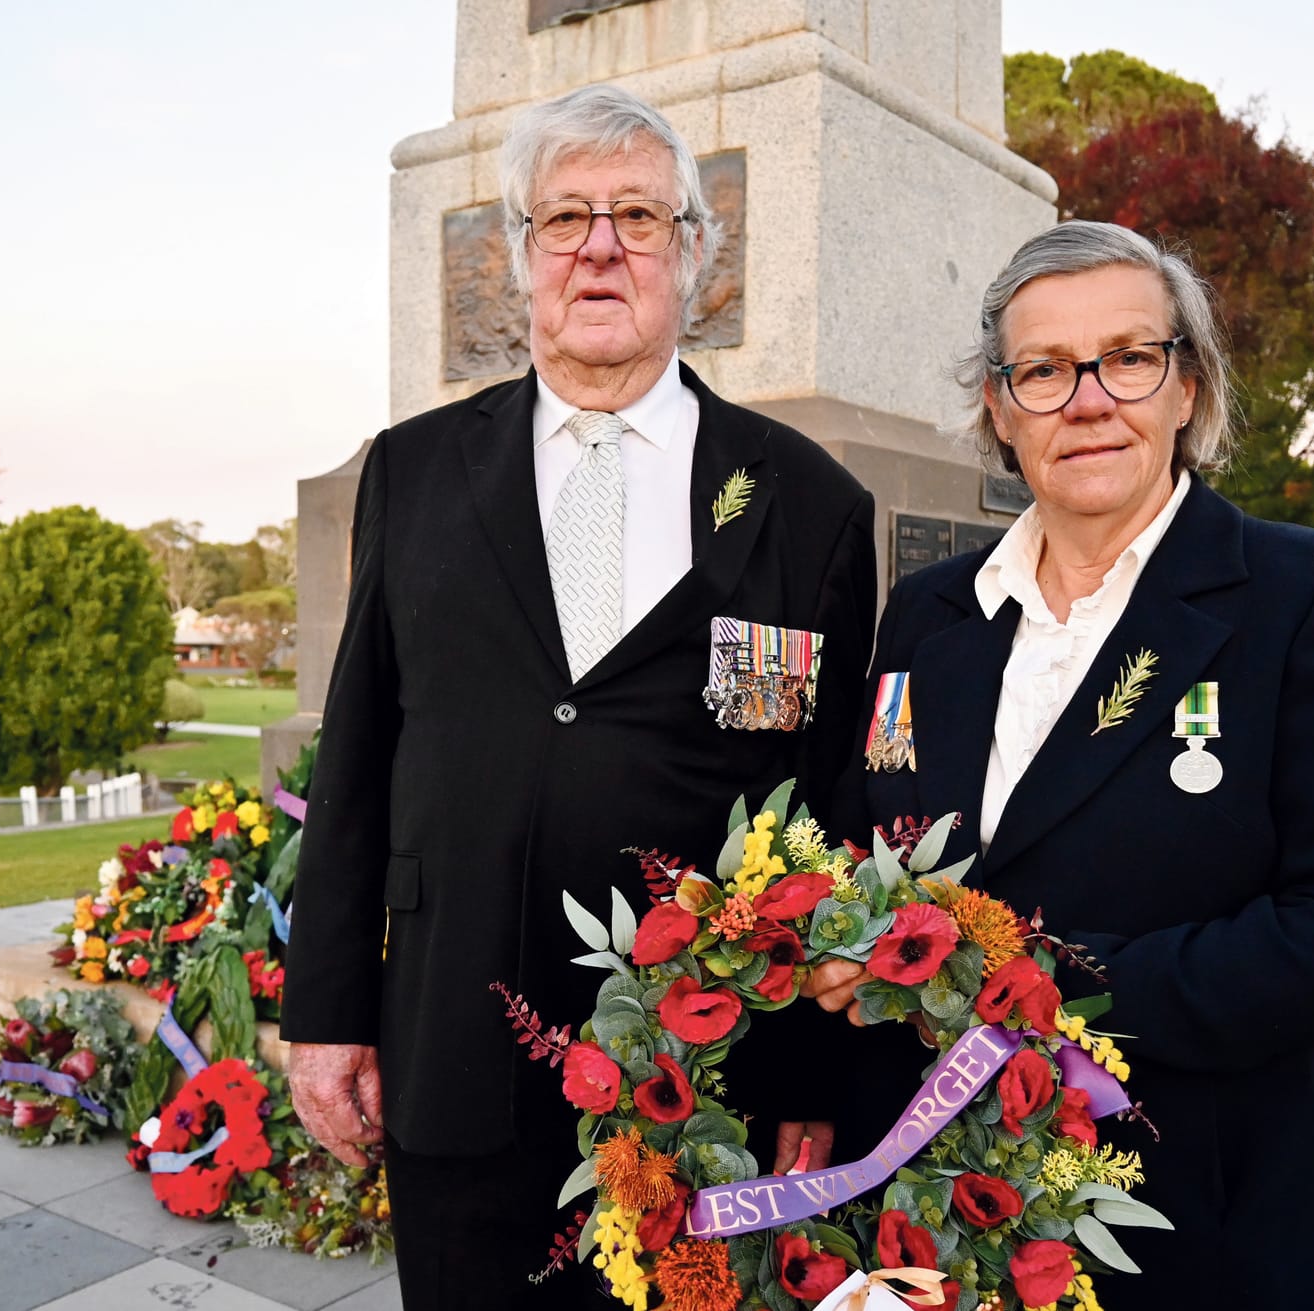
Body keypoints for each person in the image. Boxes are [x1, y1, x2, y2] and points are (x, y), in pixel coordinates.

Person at [279, 84, 876, 1310]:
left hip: (701, 1082)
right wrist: (326, 1013)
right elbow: (357, 757)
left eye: (639, 218)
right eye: (563, 220)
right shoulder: (417, 472)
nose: (599, 248)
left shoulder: (806, 503)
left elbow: (825, 809)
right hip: (456, 1056)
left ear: (695, 255)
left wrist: (813, 1082)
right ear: (518, 258)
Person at [808, 220, 1314, 1310]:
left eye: (1127, 358)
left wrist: (1043, 989)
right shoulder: (925, 614)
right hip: (930, 1225)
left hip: (1189, 1230)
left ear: (1184, 388)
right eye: (1043, 371)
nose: (1088, 399)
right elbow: (866, 846)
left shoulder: (1302, 597)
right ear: (997, 410)